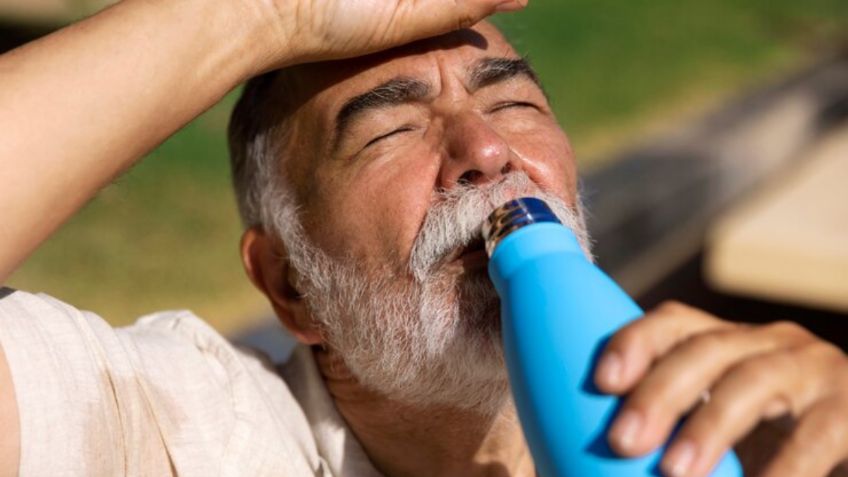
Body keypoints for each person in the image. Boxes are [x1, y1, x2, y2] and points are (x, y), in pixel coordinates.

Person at [1, 0, 847, 476]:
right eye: (389, 132)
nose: (485, 151)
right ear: (290, 284)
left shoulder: (732, 428)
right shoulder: (188, 431)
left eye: (513, 104)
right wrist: (262, 13)